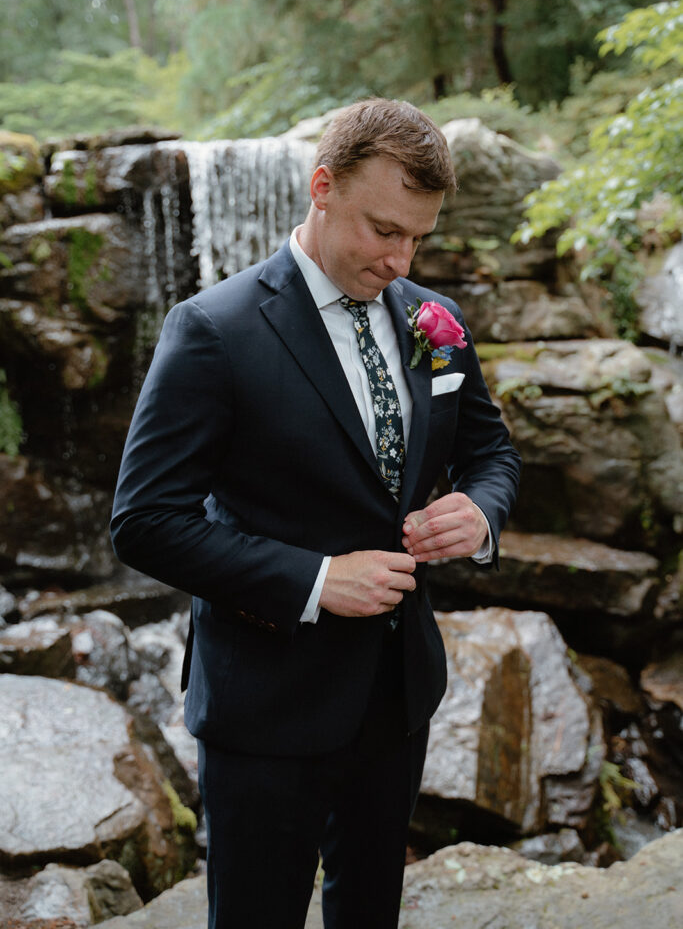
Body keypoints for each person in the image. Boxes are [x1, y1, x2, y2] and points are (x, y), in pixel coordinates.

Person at [111, 98, 521, 929]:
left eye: (417, 237)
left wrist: (478, 514)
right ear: (321, 187)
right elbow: (144, 519)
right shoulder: (211, 331)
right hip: (265, 707)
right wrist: (313, 579)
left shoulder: (432, 324)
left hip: (397, 694)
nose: (400, 259)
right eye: (382, 230)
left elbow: (493, 456)